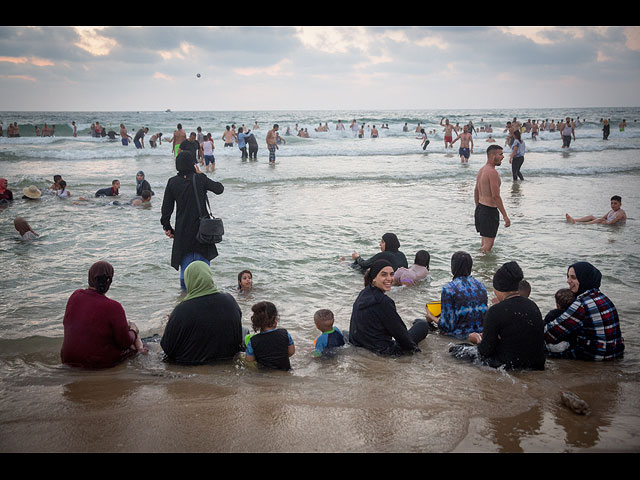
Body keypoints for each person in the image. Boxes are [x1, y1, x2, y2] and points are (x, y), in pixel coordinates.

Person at [60, 261, 146, 369]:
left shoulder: (75, 296)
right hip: (97, 363)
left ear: (90, 277)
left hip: (68, 359)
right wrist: (133, 330)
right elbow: (125, 342)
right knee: (137, 346)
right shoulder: (114, 307)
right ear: (109, 281)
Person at [460, 262, 545, 370]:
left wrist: (477, 338)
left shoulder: (495, 311)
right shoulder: (533, 306)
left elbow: (485, 351)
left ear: (498, 288)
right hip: (535, 364)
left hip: (509, 366)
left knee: (457, 349)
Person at [161, 151, 224, 290]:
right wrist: (201, 174)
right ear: (193, 164)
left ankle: (185, 298)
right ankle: (204, 296)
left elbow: (166, 209)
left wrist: (168, 228)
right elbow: (219, 189)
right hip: (203, 231)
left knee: (186, 271)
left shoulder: (172, 182)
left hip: (183, 231)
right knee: (203, 269)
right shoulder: (200, 179)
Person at [160, 261, 243, 364]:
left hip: (189, 364)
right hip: (226, 359)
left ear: (188, 280)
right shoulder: (230, 301)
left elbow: (167, 348)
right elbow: (238, 337)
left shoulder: (181, 310)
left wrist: (171, 322)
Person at [544, 262, 625, 360]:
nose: (568, 281)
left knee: (544, 348)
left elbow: (551, 333)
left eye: (573, 277)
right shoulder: (603, 298)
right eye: (568, 277)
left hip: (597, 355)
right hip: (616, 352)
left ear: (584, 279)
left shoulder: (581, 303)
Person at [349, 260, 429, 356]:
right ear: (374, 278)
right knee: (422, 324)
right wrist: (415, 350)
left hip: (360, 344)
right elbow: (400, 333)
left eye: (391, 274)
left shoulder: (363, 293)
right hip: (384, 351)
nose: (389, 279)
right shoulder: (384, 302)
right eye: (384, 275)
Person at [425, 251, 488, 338]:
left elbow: (447, 326)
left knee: (420, 324)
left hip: (459, 335)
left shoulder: (448, 288)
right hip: (479, 334)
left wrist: (430, 316)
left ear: (453, 267)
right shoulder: (481, 286)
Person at [474, 145, 510, 253]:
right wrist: (505, 215)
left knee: (484, 244)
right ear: (492, 155)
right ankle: (480, 266)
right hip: (489, 211)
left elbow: (476, 191)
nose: (503, 157)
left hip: (481, 208)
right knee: (487, 247)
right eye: (501, 154)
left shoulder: (481, 170)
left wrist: (478, 208)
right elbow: (496, 196)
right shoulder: (492, 173)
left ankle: (481, 268)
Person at [244, 301, 295, 370]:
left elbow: (249, 360)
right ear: (275, 319)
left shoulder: (253, 341)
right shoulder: (284, 333)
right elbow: (291, 352)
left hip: (264, 375)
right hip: (285, 371)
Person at [542, 288, 576, 355]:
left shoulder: (551, 314)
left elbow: (544, 328)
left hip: (552, 346)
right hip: (568, 346)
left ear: (557, 304)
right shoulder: (574, 316)